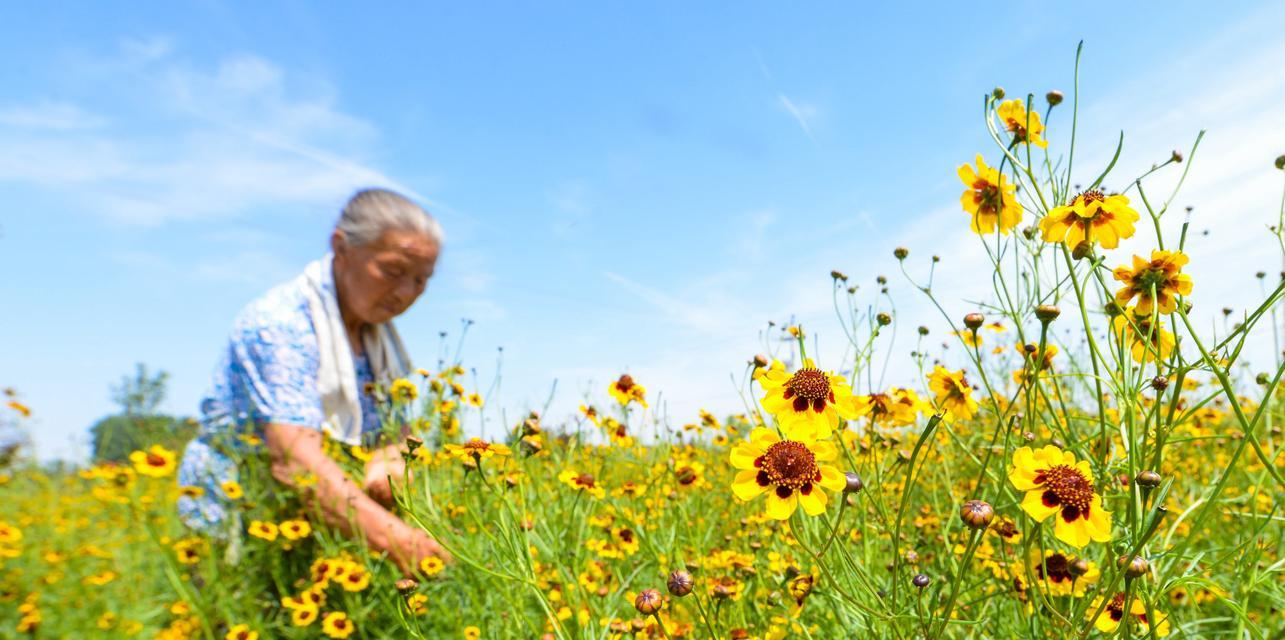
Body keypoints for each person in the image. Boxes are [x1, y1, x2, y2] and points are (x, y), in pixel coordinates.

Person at [177, 188, 448, 573]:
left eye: (422, 280)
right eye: (392, 271)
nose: (406, 293)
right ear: (341, 247)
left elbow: (395, 431)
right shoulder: (282, 324)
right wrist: (403, 544)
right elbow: (295, 462)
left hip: (319, 525)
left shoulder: (377, 339)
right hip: (241, 517)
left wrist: (393, 459)